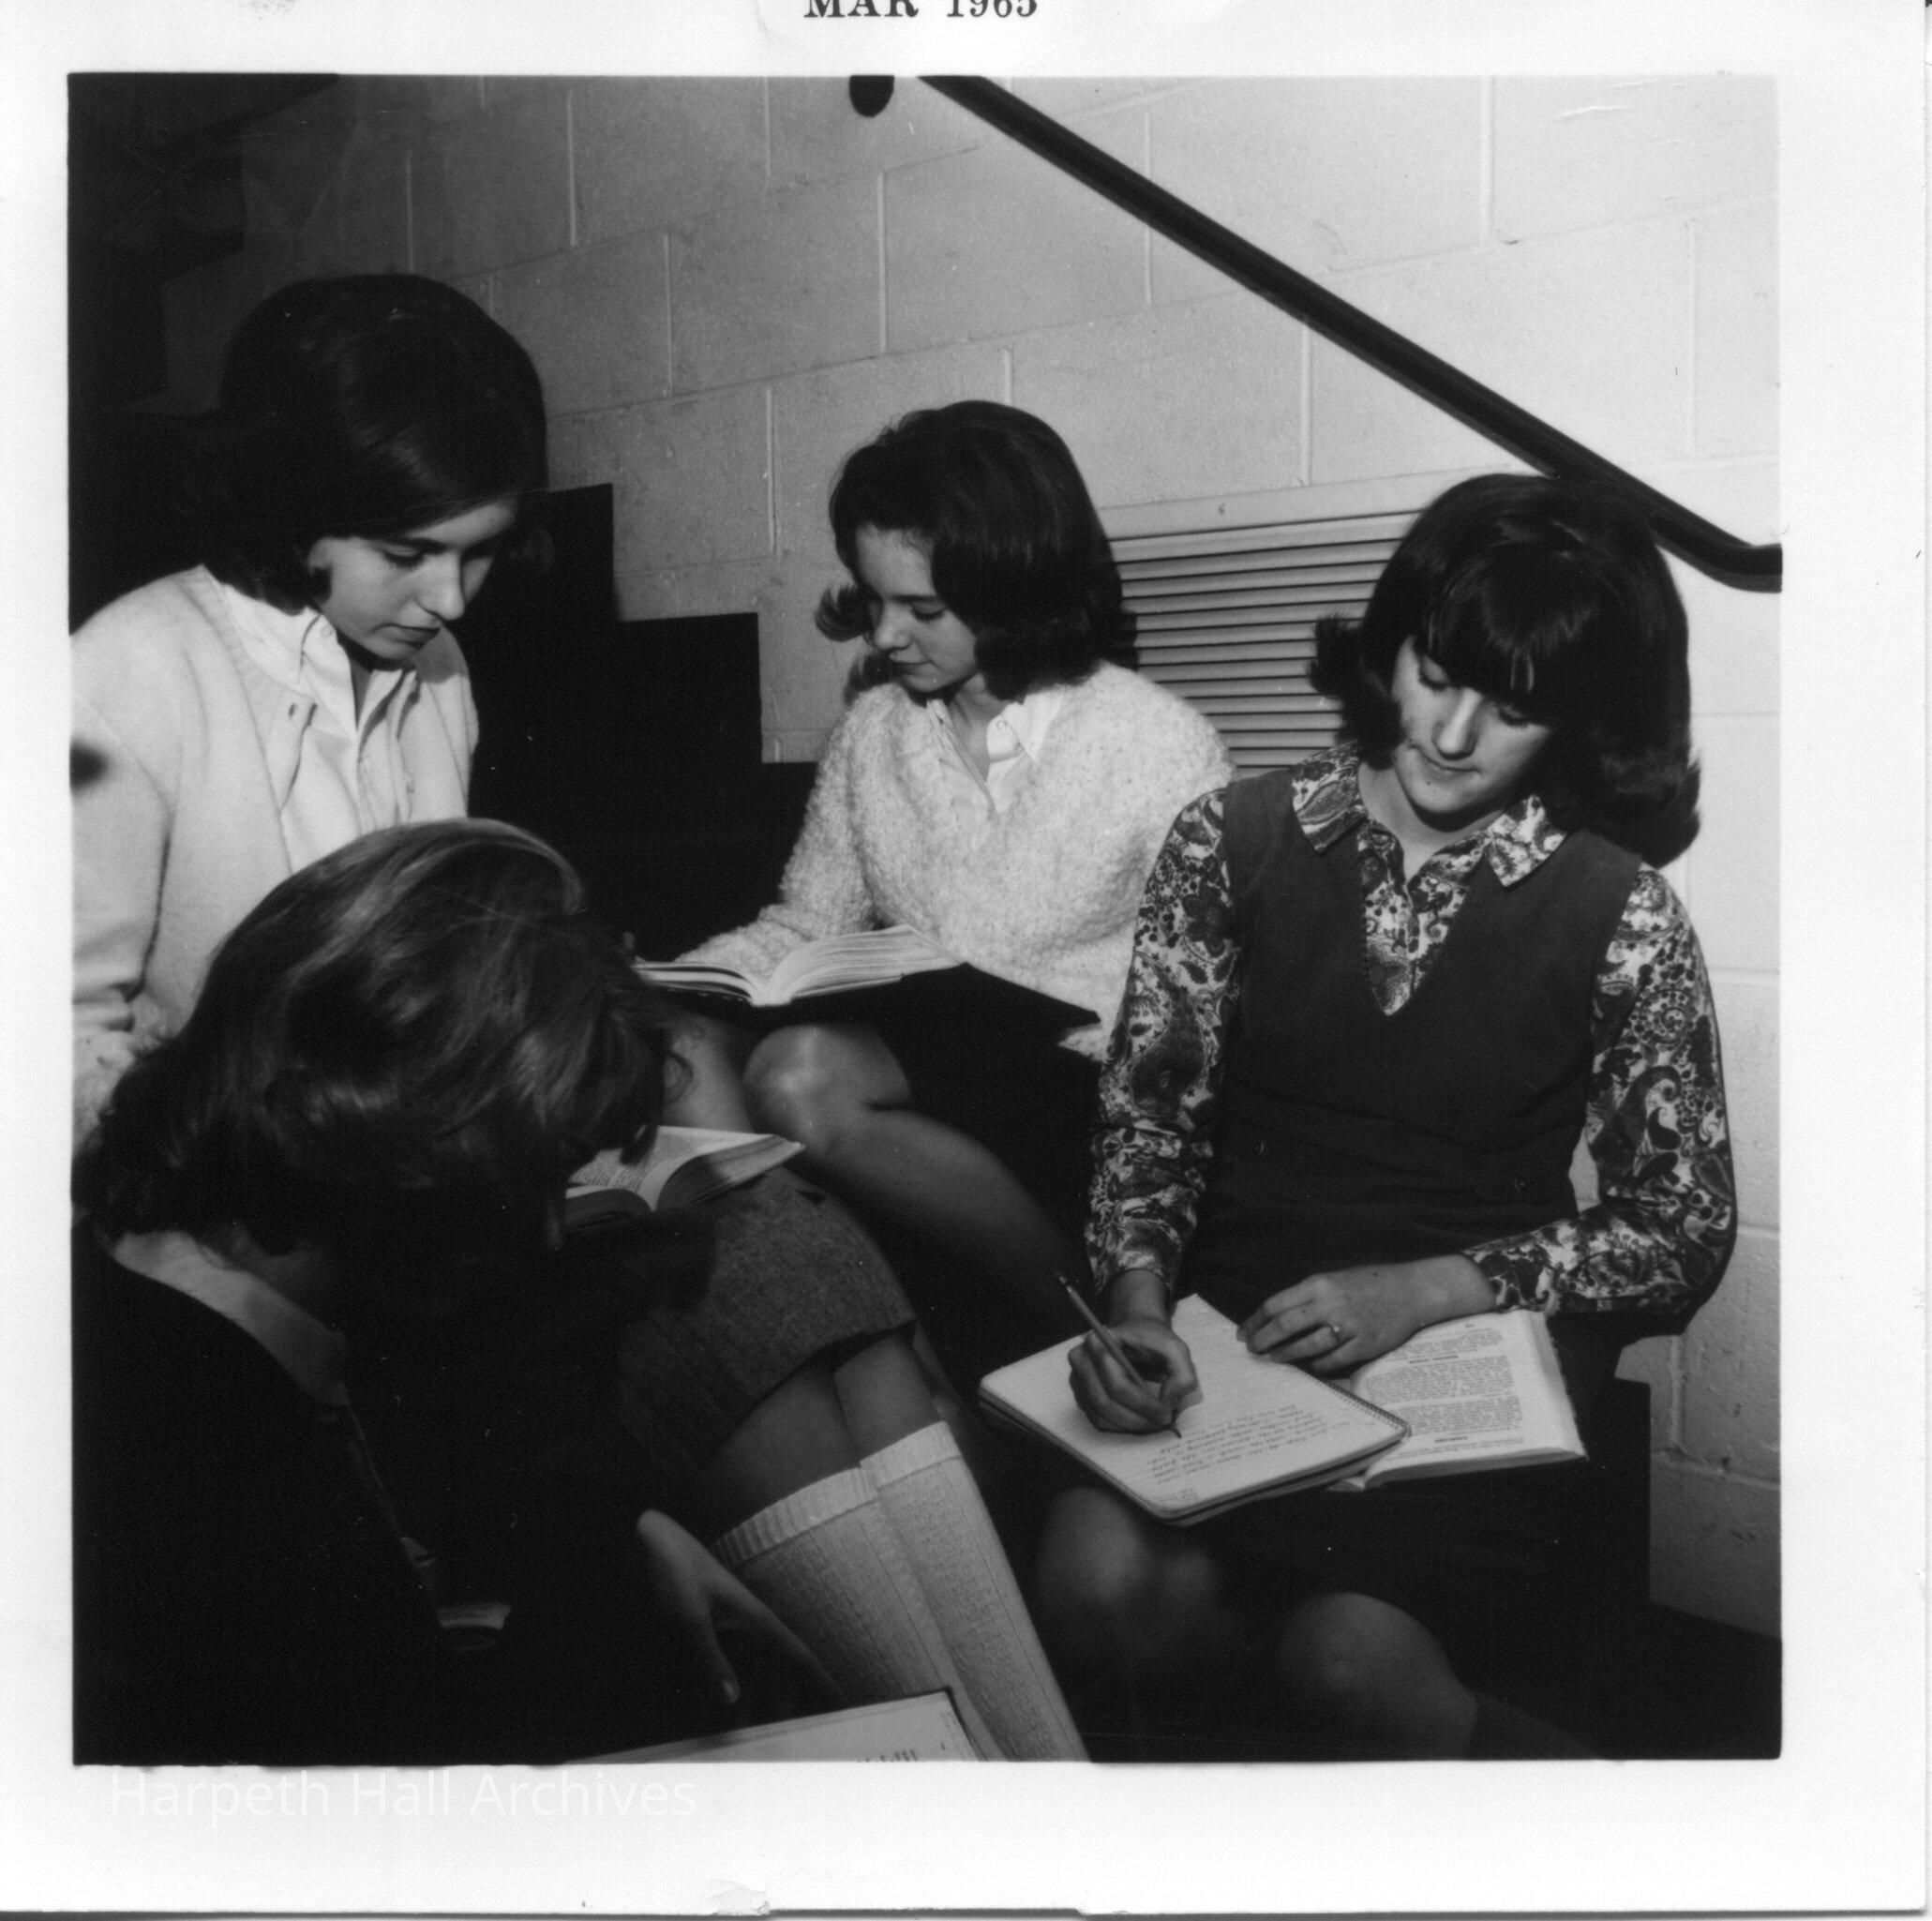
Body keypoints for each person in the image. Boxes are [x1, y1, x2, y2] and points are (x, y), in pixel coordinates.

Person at [73, 820, 1084, 1763]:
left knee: (774, 1237)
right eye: (536, 1180)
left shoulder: (223, 1312)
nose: (550, 1231)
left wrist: (621, 1542)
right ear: (399, 1140)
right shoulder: (181, 1474)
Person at [1031, 474, 1737, 1759]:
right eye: (1435, 673)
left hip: (1468, 1360)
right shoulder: (1227, 839)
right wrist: (1136, 1309)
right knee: (1091, 1589)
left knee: (1347, 1666)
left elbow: (1680, 1229)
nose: (1452, 734)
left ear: (1578, 721)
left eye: (1512, 709)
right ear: (1390, 644)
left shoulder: (1621, 908)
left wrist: (1427, 1289)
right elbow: (1150, 1123)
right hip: (1234, 1338)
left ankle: (1560, 1802)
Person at [677, 401, 1231, 1363]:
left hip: (1081, 1076)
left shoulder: (1158, 742)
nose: (886, 635)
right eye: (873, 599)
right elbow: (808, 916)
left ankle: (1082, 1329)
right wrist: (686, 978)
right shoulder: (873, 732)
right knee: (680, 1050)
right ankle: (817, 1347)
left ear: (1012, 586)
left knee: (798, 1075)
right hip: (922, 1052)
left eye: (923, 610)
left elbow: (1195, 1006)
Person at [71, 273, 547, 1145]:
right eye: (405, 552)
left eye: (480, 552)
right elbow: (54, 1038)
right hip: (185, 1175)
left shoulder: (439, 668)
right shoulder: (133, 665)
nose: (449, 599)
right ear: (293, 509)